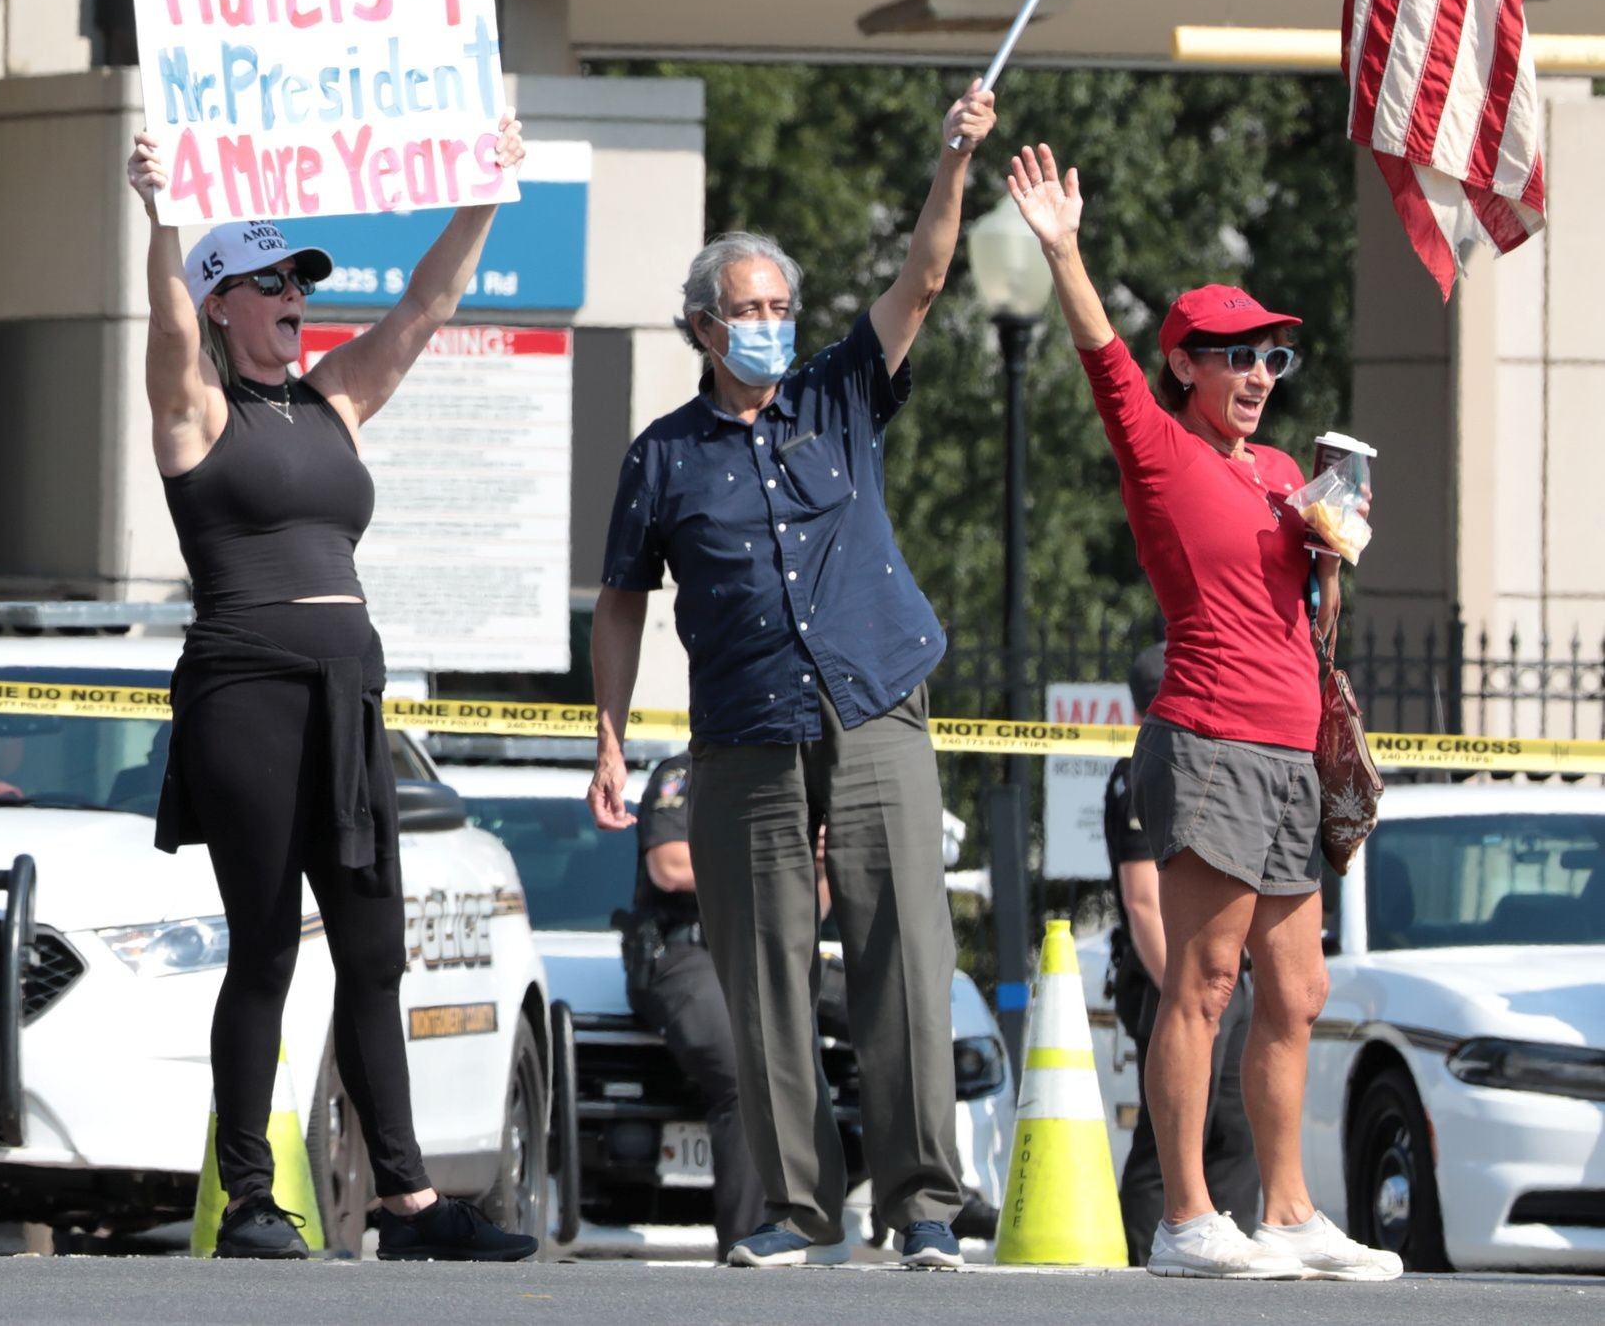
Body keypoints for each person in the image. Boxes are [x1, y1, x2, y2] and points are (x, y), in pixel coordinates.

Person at [589, 81, 994, 1269]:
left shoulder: (836, 393)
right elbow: (621, 603)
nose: (768, 321)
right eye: (745, 308)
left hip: (872, 702)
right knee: (758, 972)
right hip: (741, 730)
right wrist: (610, 736)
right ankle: (792, 1209)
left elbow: (920, 276)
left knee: (902, 952)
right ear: (702, 327)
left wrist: (949, 161)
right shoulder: (658, 454)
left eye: (779, 303)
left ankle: (920, 1201)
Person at [129, 121, 542, 1264]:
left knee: (371, 949)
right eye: (266, 282)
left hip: (346, 697)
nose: (290, 296)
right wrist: (159, 215)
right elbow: (165, 326)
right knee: (264, 945)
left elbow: (422, 308)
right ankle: (253, 1194)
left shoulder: (328, 401)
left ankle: (406, 1203)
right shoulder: (195, 411)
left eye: (296, 280)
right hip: (245, 692)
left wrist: (485, 194)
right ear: (223, 303)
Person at [1002, 143, 1395, 1281]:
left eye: (1269, 354)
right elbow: (1097, 356)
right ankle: (1183, 1216)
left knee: (1300, 986)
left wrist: (1330, 562)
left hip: (1288, 747)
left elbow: (1301, 608)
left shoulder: (1281, 470)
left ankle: (1285, 1211)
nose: (1259, 370)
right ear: (1183, 364)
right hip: (1209, 733)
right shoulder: (1160, 447)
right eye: (1233, 354)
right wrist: (1062, 247)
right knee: (1204, 978)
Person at [1107, 641, 1260, 1262]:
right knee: (1170, 1137)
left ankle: (1233, 1245)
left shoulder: (1210, 761)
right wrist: (1188, 996)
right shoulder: (1147, 768)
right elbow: (1143, 903)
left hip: (1224, 979)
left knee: (1233, 1130)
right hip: (1173, 981)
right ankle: (1154, 1255)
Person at [620, 752, 768, 1257]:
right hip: (685, 952)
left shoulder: (795, 771)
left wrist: (816, 862)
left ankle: (930, 1206)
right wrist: (771, 860)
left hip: (763, 953)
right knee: (745, 1071)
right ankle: (750, 1247)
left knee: (892, 1021)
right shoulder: (686, 772)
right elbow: (670, 864)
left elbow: (814, 900)